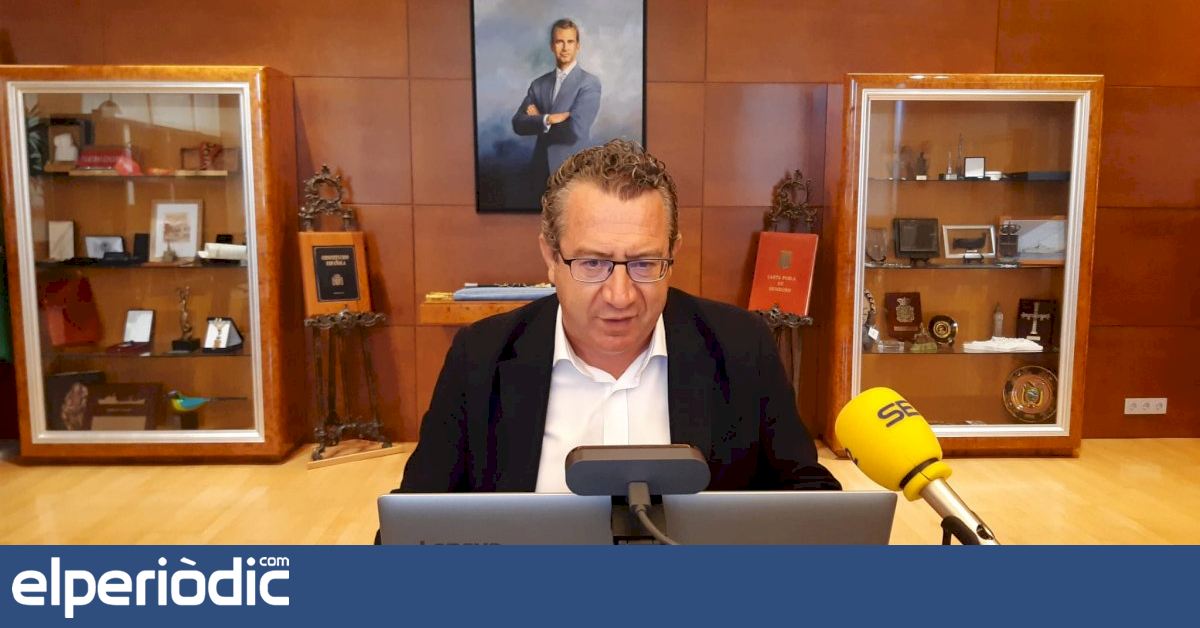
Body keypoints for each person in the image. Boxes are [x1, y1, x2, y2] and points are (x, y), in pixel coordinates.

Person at [397, 139, 840, 493]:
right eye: (593, 263)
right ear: (550, 257)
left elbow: (810, 498)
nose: (621, 296)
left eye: (645, 263)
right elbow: (412, 526)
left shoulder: (742, 348)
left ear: (673, 253)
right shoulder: (480, 358)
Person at [511, 18, 602, 198]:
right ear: (552, 46)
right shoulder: (538, 84)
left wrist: (538, 120)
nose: (565, 48)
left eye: (570, 42)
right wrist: (549, 119)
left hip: (573, 173)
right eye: (560, 42)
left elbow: (574, 130)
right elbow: (518, 124)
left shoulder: (589, 83)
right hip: (539, 172)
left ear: (578, 46)